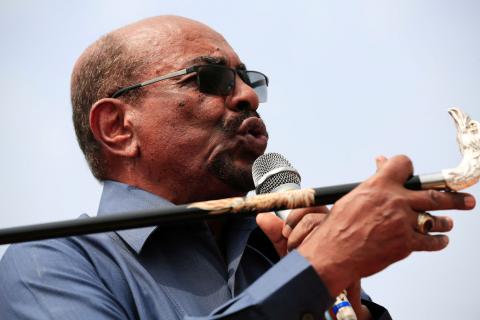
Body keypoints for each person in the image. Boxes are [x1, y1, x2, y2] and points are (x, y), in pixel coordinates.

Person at [0, 15, 475, 320]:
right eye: (212, 78)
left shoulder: (279, 253)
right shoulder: (47, 263)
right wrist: (322, 267)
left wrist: (347, 298)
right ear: (118, 127)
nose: (247, 95)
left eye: (250, 81)